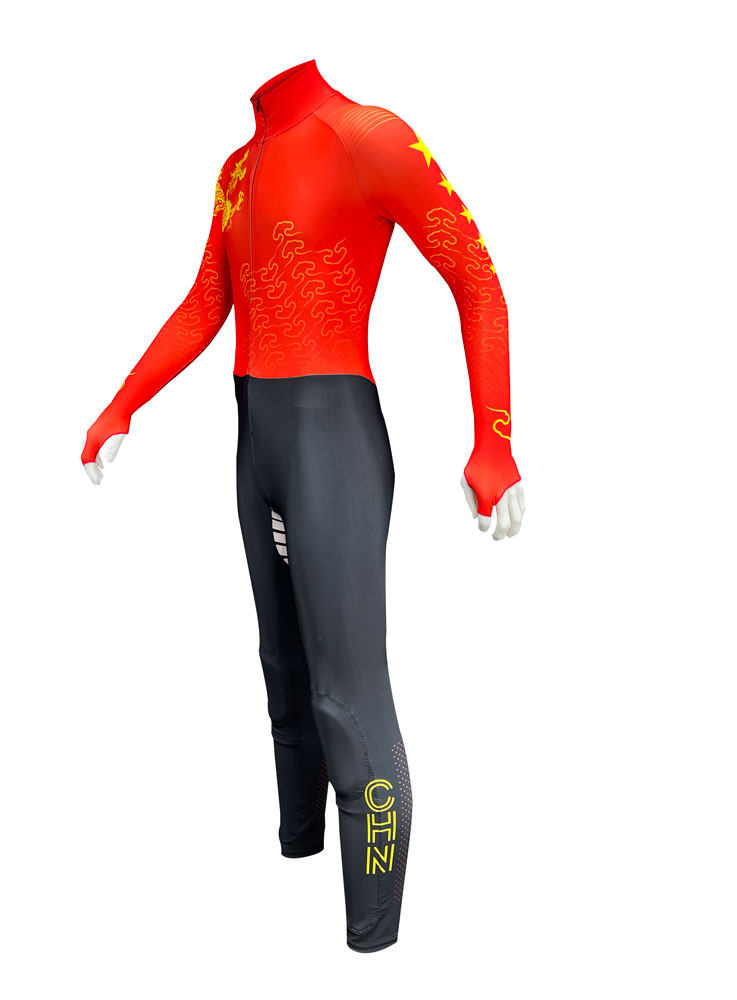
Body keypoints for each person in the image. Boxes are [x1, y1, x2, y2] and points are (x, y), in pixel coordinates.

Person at [81, 59, 525, 952]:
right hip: (257, 441)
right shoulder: (236, 167)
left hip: (332, 442)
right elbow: (207, 302)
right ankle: (297, 855)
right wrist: (123, 402)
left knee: (347, 697)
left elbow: (476, 276)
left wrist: (495, 438)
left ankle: (374, 938)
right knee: (283, 670)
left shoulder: (367, 134)